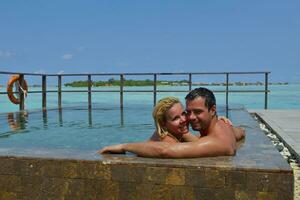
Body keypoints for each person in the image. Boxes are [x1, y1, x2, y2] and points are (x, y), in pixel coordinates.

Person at [99, 87, 245, 158]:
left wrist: (124, 145)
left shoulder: (214, 142)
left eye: (198, 112)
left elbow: (165, 150)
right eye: (188, 112)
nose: (190, 118)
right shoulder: (225, 127)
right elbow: (241, 132)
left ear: (212, 110)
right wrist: (222, 120)